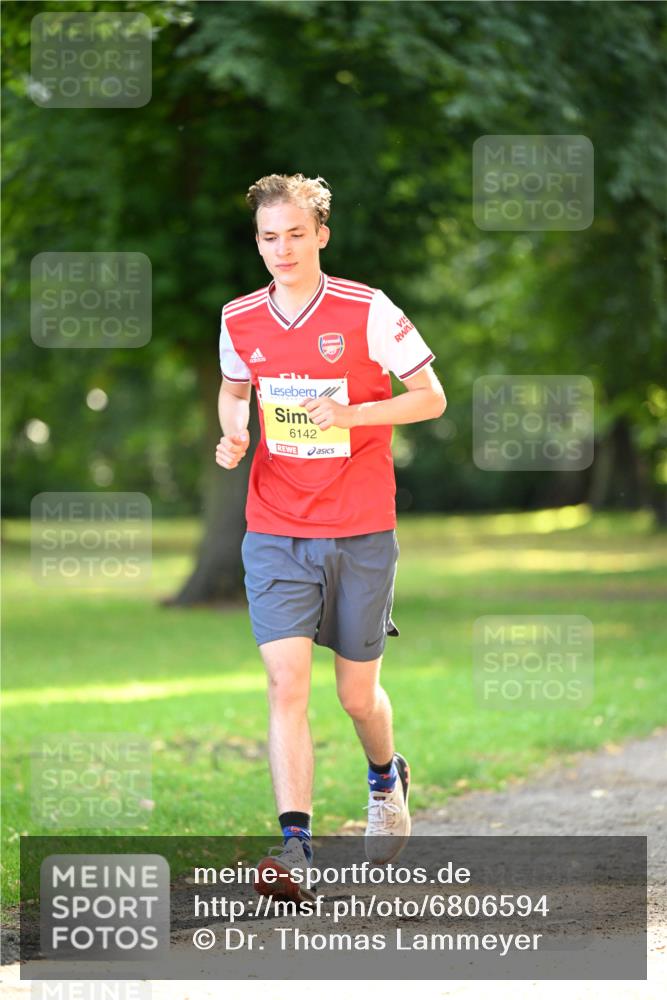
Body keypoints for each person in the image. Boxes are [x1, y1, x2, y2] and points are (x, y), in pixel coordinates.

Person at [215, 173, 446, 901]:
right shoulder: (238, 317)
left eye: (293, 234)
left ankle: (385, 777)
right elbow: (232, 390)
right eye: (266, 236)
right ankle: (295, 847)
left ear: (320, 234)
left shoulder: (367, 310)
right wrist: (233, 433)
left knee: (355, 697)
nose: (280, 249)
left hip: (359, 526)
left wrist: (350, 418)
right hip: (275, 527)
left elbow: (430, 397)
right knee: (286, 684)